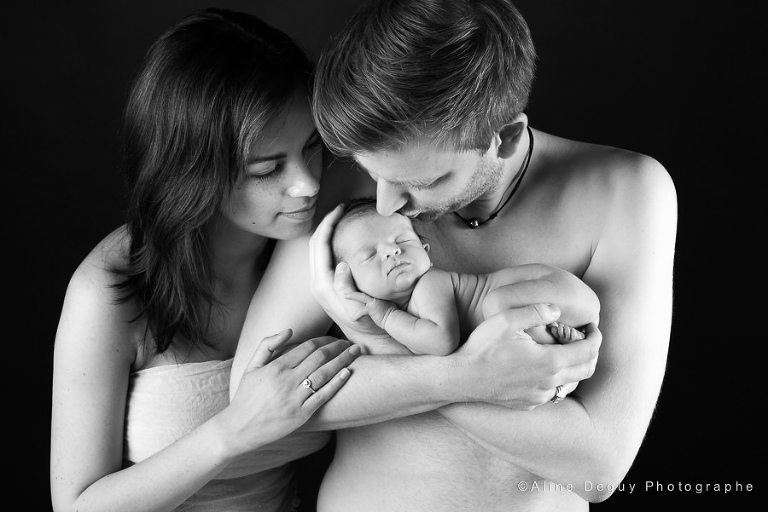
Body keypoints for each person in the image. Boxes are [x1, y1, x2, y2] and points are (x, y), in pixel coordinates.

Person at [305, 0, 677, 509]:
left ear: (503, 139)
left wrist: (380, 347)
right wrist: (466, 377)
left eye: (424, 181)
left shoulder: (626, 191)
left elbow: (598, 467)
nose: (387, 204)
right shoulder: (360, 170)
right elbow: (262, 399)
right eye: (374, 176)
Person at [49, 8, 363, 512]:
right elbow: (76, 505)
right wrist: (234, 431)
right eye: (266, 169)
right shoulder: (109, 293)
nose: (306, 184)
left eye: (310, 148)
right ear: (193, 171)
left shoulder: (312, 248)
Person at [330, 197, 598, 355]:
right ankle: (559, 339)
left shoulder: (430, 284)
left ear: (426, 252)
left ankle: (555, 343)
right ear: (351, 279)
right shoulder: (412, 311)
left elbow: (440, 342)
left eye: (402, 240)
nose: (391, 251)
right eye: (369, 255)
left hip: (559, 290)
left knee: (497, 306)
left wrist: (385, 316)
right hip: (556, 296)